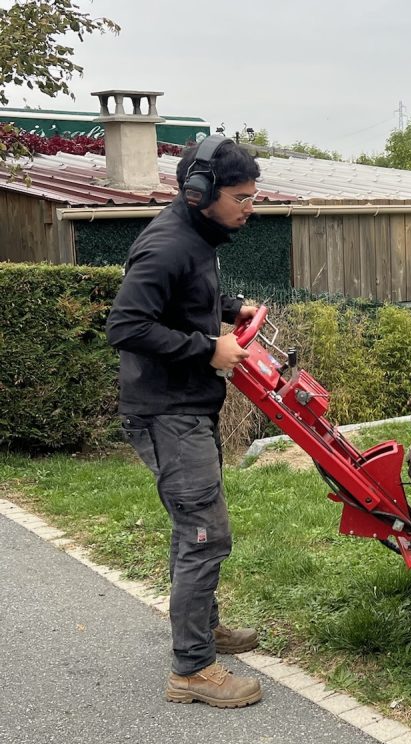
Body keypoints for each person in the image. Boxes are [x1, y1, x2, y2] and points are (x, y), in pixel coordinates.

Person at [106, 135, 264, 708]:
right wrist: (207, 349)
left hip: (187, 409)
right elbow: (125, 325)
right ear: (201, 192)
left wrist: (228, 312)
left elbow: (180, 302)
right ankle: (192, 669)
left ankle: (203, 630)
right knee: (205, 532)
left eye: (254, 195)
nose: (251, 206)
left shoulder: (197, 235)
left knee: (194, 526)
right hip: (166, 413)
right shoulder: (169, 244)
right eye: (242, 197)